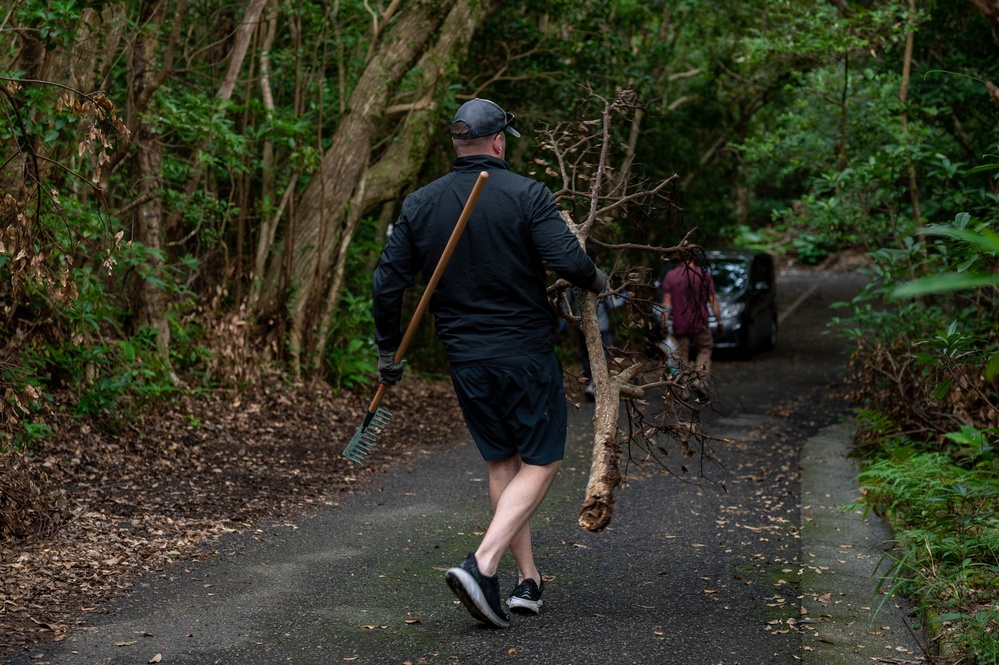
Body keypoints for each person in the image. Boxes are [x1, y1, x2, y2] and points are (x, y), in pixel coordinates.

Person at [371, 98, 606, 628]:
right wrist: (597, 280)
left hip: (467, 361)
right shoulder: (527, 194)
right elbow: (569, 261)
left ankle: (526, 582)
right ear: (500, 141)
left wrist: (388, 349)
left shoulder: (421, 203)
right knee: (542, 460)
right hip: (523, 355)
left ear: (458, 144)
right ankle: (480, 564)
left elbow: (388, 283)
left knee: (503, 462)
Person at [660, 255, 722, 394]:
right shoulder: (704, 275)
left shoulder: (671, 275)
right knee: (704, 350)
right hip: (701, 323)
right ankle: (700, 382)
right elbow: (713, 300)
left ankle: (685, 388)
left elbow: (666, 304)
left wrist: (663, 323)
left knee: (682, 356)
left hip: (680, 324)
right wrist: (719, 321)